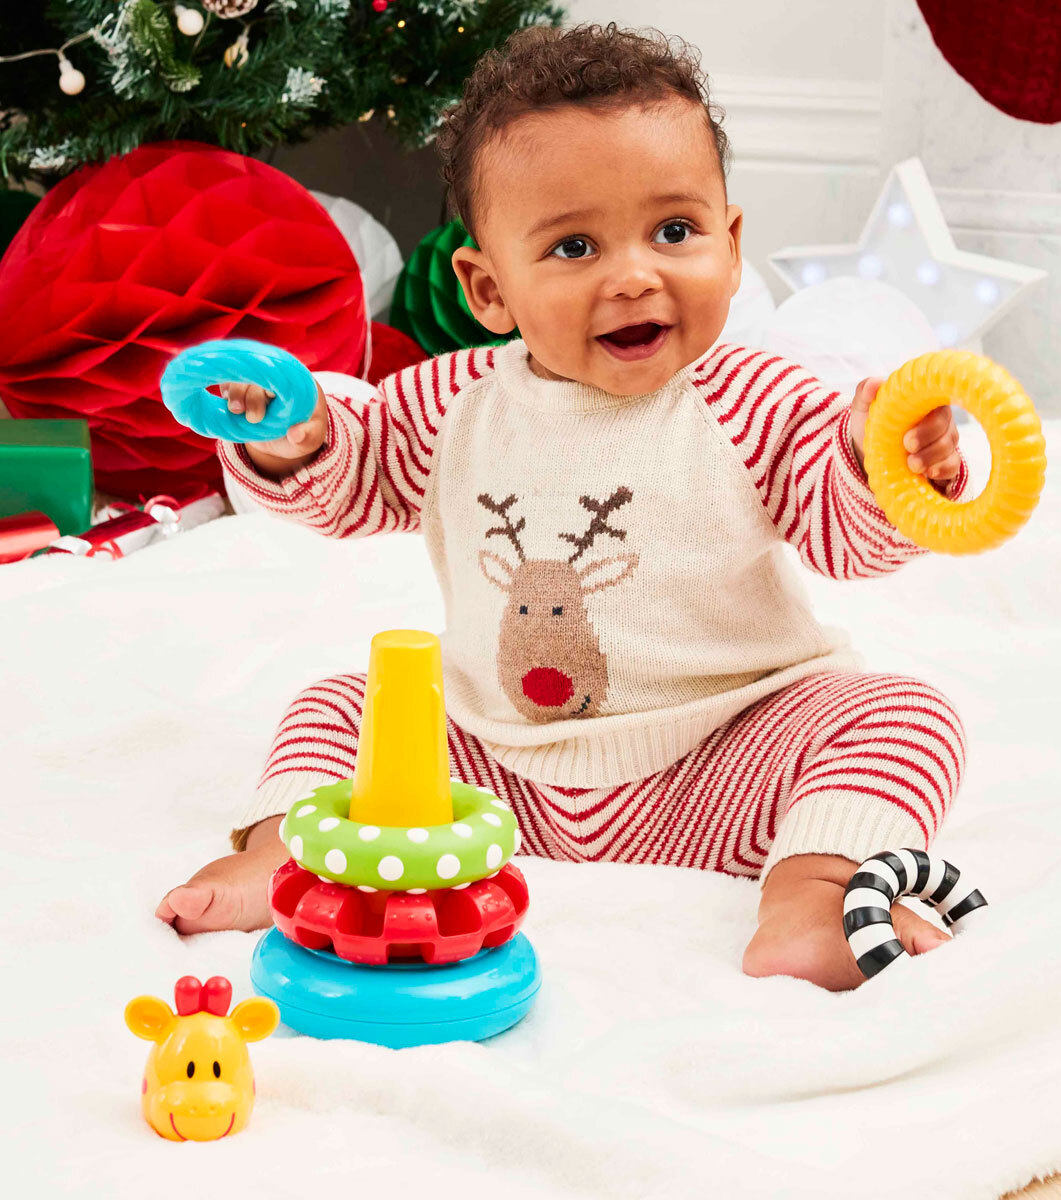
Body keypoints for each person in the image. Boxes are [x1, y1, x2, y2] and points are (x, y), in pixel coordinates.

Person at [157, 22, 970, 992]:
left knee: (902, 713)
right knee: (342, 706)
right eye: (575, 246)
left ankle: (811, 885)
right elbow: (356, 469)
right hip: (494, 769)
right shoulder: (455, 401)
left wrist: (887, 465)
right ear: (488, 288)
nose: (634, 275)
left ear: (732, 242)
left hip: (721, 762)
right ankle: (282, 853)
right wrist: (294, 438)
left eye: (676, 231)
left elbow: (844, 532)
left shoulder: (757, 397)